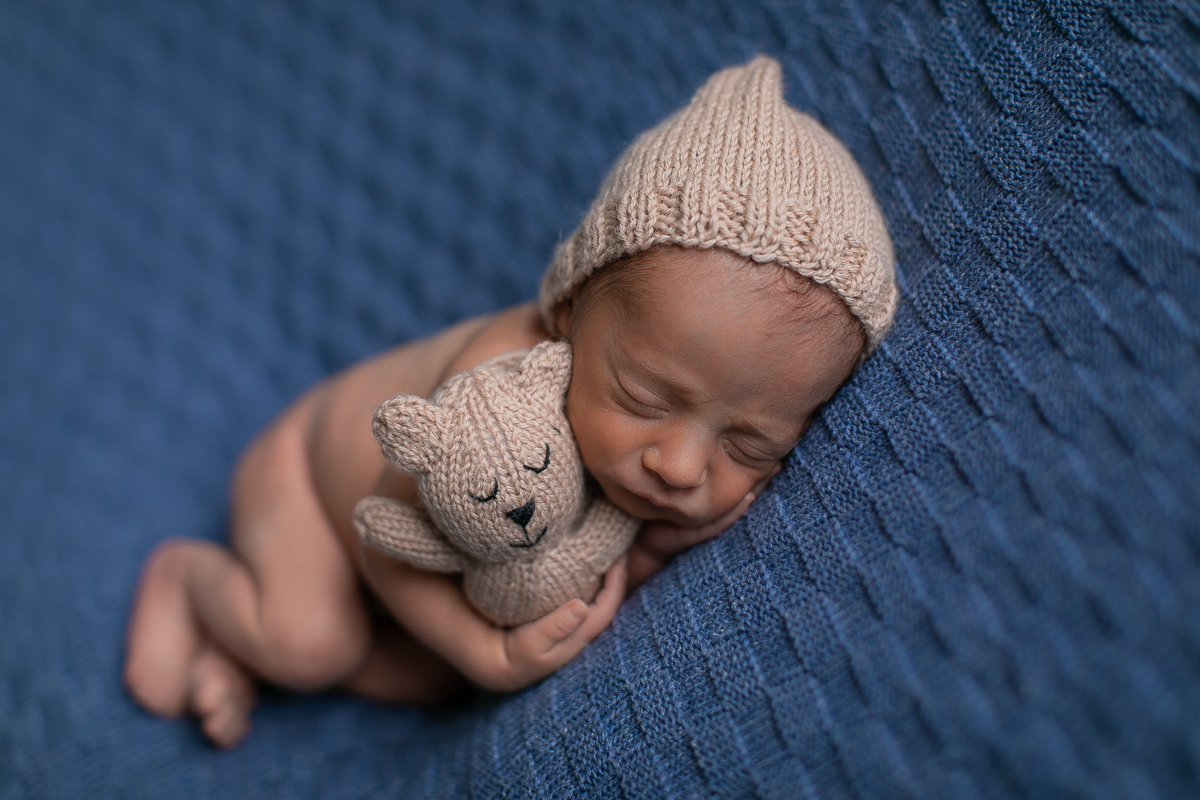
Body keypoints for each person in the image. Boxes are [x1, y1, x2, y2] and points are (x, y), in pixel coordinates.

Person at [123, 55, 897, 748]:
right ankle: (190, 582)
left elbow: (606, 551)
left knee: (434, 681)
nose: (682, 465)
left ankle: (240, 658)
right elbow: (384, 543)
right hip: (318, 494)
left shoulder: (651, 437)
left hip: (439, 571)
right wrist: (481, 654)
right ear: (568, 313)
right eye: (646, 396)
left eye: (749, 445)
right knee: (312, 640)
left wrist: (658, 547)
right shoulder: (495, 402)